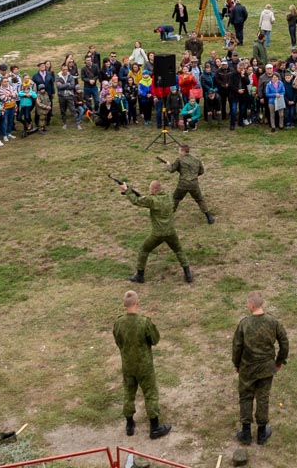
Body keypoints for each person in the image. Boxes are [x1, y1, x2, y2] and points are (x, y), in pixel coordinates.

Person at [232, 291, 290, 446]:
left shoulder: (244, 324)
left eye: (247, 303)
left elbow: (237, 347)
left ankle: (246, 433)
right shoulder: (273, 322)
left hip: (247, 368)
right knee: (263, 398)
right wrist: (279, 361)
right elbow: (284, 343)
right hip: (266, 368)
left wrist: (237, 364)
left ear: (251, 305)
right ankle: (262, 434)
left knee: (246, 397)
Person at [114, 290, 172, 439]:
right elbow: (155, 339)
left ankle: (129, 425)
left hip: (128, 365)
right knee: (150, 394)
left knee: (128, 393)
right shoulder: (144, 322)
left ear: (125, 304)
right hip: (144, 366)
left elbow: (118, 342)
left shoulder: (118, 323)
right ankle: (154, 427)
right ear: (137, 303)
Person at [120, 179, 192, 284]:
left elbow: (136, 201)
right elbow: (148, 199)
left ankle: (140, 275)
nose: (149, 191)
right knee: (179, 250)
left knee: (144, 250)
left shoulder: (152, 200)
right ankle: (188, 275)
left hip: (157, 234)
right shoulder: (169, 197)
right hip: (171, 232)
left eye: (150, 189)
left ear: (154, 189)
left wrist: (127, 190)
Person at [167, 144, 213, 224]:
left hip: (183, 184)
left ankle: (168, 217)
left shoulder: (179, 160)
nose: (178, 152)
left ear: (183, 151)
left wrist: (168, 165)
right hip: (194, 184)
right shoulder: (196, 160)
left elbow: (171, 170)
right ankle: (209, 217)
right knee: (199, 199)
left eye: (179, 150)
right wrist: (193, 176)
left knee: (175, 199)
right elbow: (201, 171)